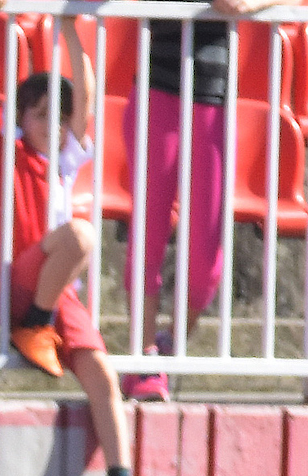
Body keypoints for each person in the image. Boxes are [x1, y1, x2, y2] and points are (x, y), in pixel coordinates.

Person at [0, 18, 146, 476]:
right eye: (39, 114)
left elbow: (86, 93)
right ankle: (31, 325)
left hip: (57, 293)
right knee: (82, 235)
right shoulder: (5, 147)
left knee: (102, 374)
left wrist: (71, 27)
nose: (50, 123)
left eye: (59, 116)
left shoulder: (67, 160)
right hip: (13, 282)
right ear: (20, 117)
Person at [117, 0, 284, 402]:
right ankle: (144, 360)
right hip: (157, 92)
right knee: (149, 237)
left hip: (213, 102)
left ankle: (168, 345)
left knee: (208, 261)